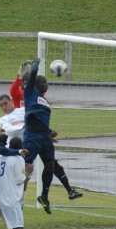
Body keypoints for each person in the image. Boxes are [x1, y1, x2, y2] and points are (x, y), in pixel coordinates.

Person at [23, 57, 82, 215]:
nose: (46, 84)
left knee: (50, 165)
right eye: (44, 82)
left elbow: (43, 120)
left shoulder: (44, 100)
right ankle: (12, 191)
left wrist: (50, 133)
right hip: (32, 136)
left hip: (44, 138)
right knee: (24, 163)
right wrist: (36, 64)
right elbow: (33, 75)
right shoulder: (30, 93)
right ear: (36, 84)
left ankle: (44, 197)